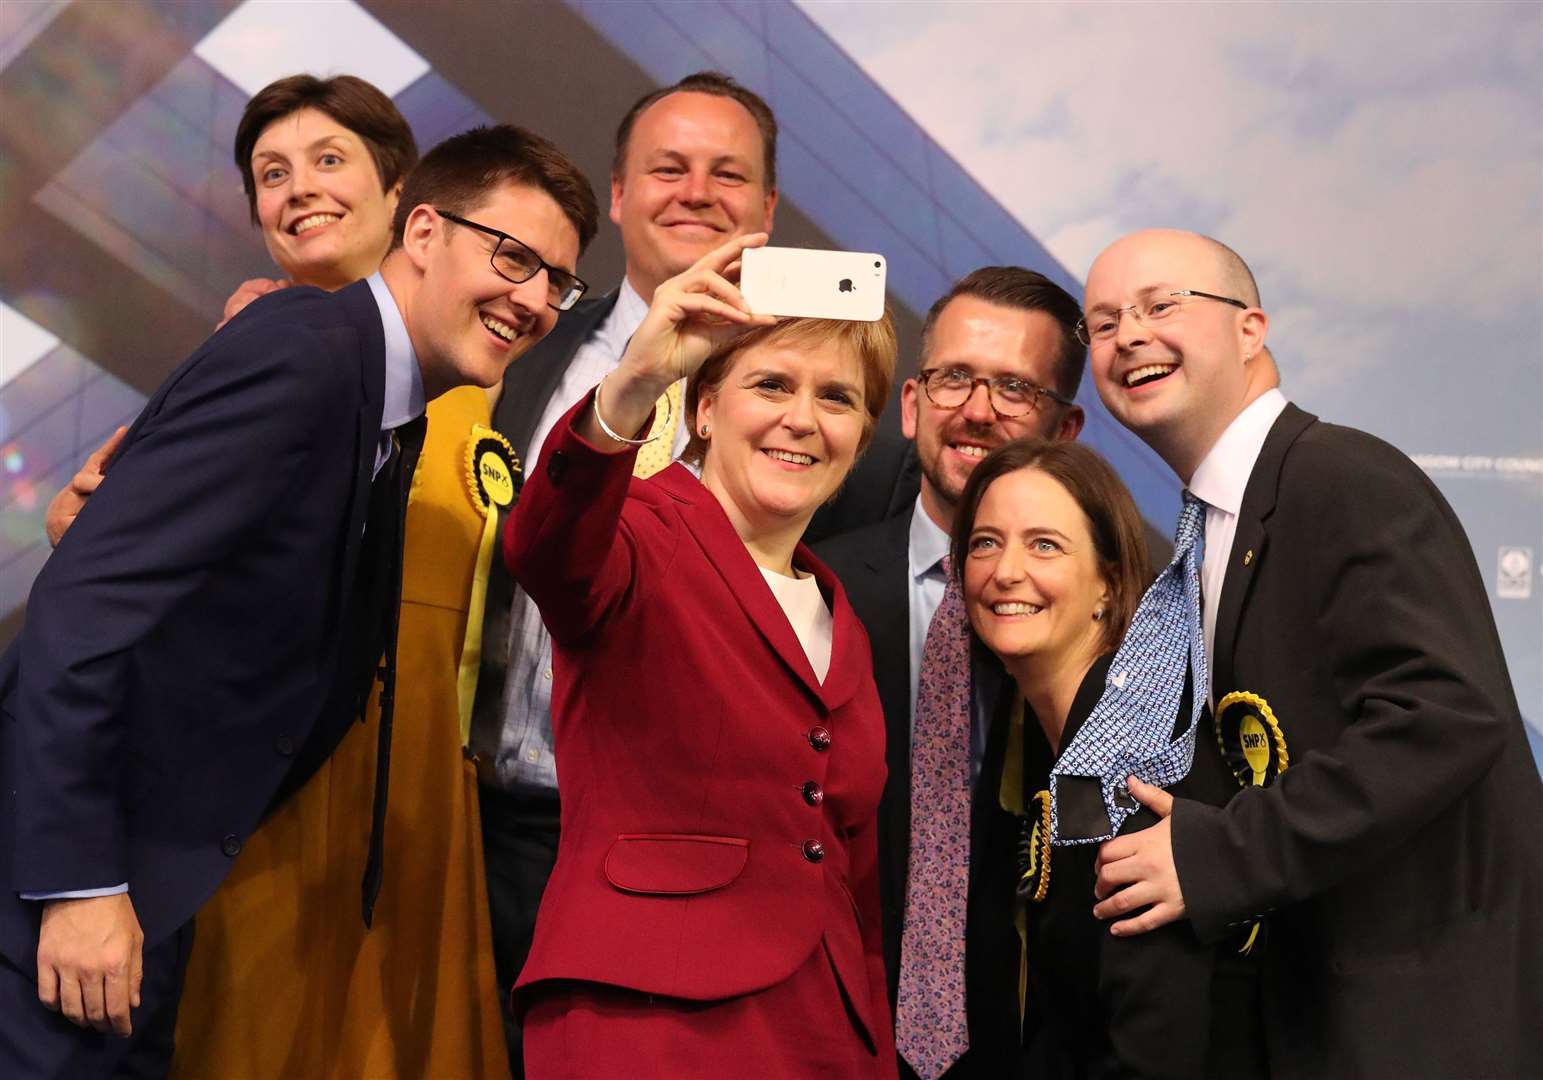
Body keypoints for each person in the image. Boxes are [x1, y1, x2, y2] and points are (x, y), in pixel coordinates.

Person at [0, 120, 591, 1077]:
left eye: (556, 284)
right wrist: (78, 885)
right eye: (514, 258)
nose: (532, 302)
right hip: (62, 891)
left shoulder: (387, 397)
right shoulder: (306, 353)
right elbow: (82, 610)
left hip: (148, 886)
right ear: (426, 231)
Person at [1081, 228, 1543, 1079]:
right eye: (1102, 323)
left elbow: (1444, 714)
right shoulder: (1220, 522)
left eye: (1160, 305)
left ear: (1250, 328)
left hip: (1415, 1027)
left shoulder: (1342, 477)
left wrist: (1222, 854)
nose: (1129, 335)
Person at [505, 232, 898, 1077]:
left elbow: (848, 869)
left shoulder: (842, 616)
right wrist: (634, 386)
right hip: (647, 1017)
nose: (802, 418)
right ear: (706, 406)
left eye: (837, 398)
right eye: (771, 384)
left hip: (821, 1034)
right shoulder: (637, 529)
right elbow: (543, 547)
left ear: (862, 437)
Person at [466, 70, 782, 1072]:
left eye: (727, 174)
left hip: (694, 856)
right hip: (492, 828)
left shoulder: (810, 380)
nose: (696, 191)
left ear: (766, 209)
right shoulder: (522, 341)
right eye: (667, 168)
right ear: (616, 195)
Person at [814, 267, 1143, 1079]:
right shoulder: (811, 588)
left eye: (1014, 388)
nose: (976, 409)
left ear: (1064, 427)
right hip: (824, 1024)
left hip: (1036, 1040)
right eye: (955, 376)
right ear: (912, 402)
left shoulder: (1129, 651)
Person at [952, 438, 1244, 1079]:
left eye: (1044, 545)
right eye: (984, 543)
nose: (1005, 572)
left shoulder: (1140, 759)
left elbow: (1158, 1040)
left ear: (1110, 586)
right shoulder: (1047, 743)